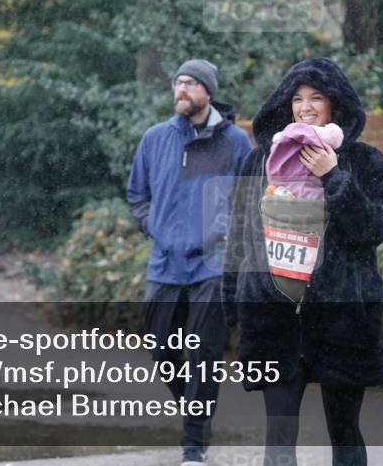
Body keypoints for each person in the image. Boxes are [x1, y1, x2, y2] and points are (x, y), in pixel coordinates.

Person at [223, 57, 383, 466]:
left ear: (335, 104)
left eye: (316, 98)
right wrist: (231, 303)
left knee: (345, 433)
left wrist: (334, 176)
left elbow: (374, 228)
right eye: (297, 99)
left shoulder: (365, 162)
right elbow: (238, 237)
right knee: (279, 439)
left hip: (340, 321)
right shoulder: (258, 161)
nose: (305, 107)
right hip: (274, 320)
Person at [127, 58, 252, 466]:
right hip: (165, 264)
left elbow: (249, 200)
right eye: (178, 82)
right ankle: (198, 412)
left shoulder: (235, 142)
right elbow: (137, 195)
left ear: (208, 92)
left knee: (204, 356)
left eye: (191, 83)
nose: (181, 89)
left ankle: (193, 446)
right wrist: (155, 227)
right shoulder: (155, 139)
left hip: (212, 268)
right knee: (162, 351)